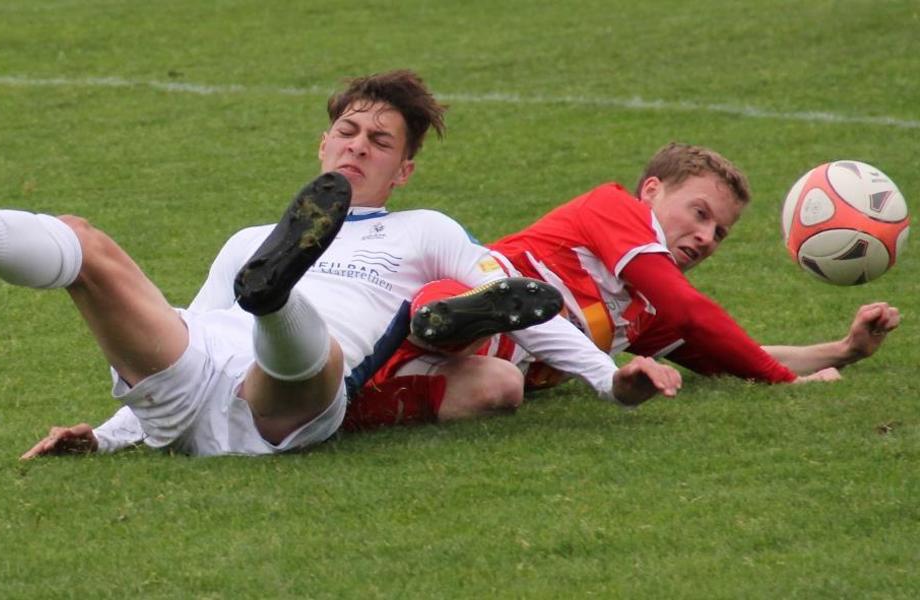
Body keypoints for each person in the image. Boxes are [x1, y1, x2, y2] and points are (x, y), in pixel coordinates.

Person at [0, 70, 679, 459]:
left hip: (286, 402)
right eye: (348, 131)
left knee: (299, 337)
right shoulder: (245, 236)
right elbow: (194, 331)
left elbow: (518, 300)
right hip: (190, 383)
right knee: (85, 244)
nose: (357, 146)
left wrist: (605, 378)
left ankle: (279, 297)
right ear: (322, 143)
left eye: (379, 142)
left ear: (402, 171)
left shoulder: (422, 229)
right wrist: (102, 437)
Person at [343, 142, 900, 430]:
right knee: (449, 305)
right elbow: (694, 310)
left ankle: (355, 407)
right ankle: (467, 313)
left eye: (720, 233)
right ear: (652, 191)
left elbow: (736, 359)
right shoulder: (612, 209)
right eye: (699, 213)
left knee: (500, 389)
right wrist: (785, 383)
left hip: (470, 369)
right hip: (410, 312)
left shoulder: (646, 309)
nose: (706, 238)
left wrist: (844, 350)